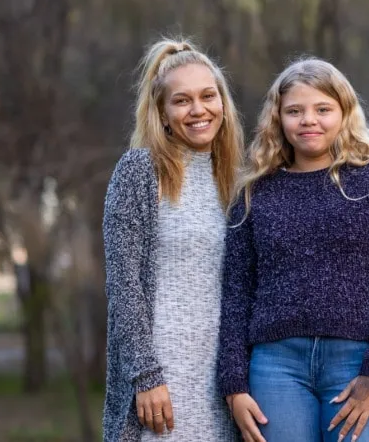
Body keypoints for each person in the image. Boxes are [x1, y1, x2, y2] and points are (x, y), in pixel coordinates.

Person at [218, 57, 369, 442]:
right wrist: (234, 385)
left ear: (345, 112)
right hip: (275, 369)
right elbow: (236, 293)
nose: (308, 120)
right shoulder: (256, 193)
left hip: (358, 365)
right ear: (278, 118)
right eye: (294, 111)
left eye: (322, 109)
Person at [102, 36, 244, 442]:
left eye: (208, 96)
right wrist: (146, 376)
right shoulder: (139, 172)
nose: (199, 110)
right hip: (162, 379)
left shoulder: (237, 178)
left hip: (227, 379)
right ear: (162, 113)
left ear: (223, 104)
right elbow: (124, 283)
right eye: (182, 101)